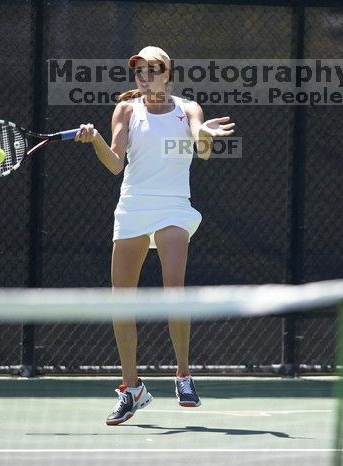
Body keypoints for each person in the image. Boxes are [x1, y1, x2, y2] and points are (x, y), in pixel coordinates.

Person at [74, 46, 235, 426]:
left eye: (153, 70)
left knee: (173, 293)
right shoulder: (126, 110)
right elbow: (115, 164)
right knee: (121, 303)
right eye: (139, 71)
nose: (145, 77)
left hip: (174, 208)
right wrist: (95, 138)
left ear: (168, 74)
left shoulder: (188, 109)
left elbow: (203, 149)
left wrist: (206, 135)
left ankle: (183, 375)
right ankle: (132, 389)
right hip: (133, 207)